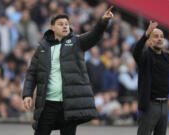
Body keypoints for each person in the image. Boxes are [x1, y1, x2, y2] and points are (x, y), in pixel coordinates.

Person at [22, 6, 114, 135]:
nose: (65, 26)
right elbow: (32, 73)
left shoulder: (76, 42)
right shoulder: (42, 48)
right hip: (48, 104)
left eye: (66, 24)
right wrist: (27, 94)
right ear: (52, 27)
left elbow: (94, 35)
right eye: (60, 24)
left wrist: (103, 22)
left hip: (69, 105)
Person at [133, 21, 169, 135]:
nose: (159, 39)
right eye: (155, 36)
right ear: (149, 41)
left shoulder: (167, 57)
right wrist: (146, 34)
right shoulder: (145, 56)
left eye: (161, 37)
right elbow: (136, 52)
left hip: (164, 106)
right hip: (150, 105)